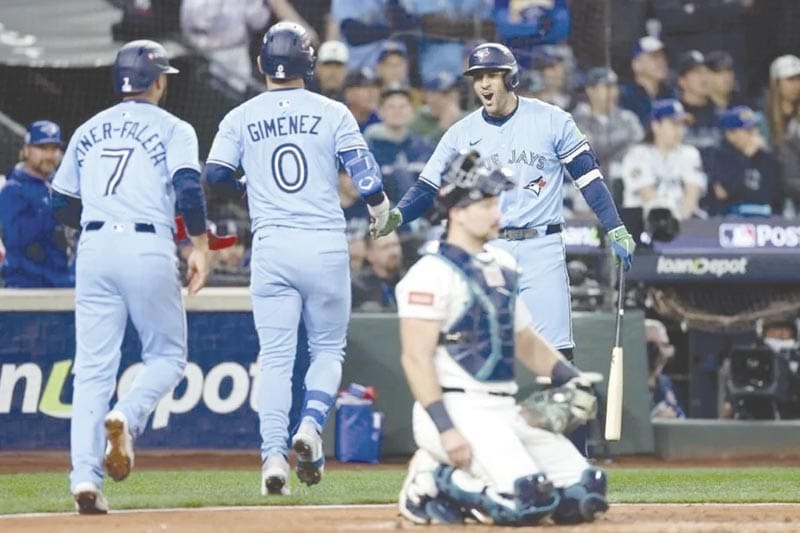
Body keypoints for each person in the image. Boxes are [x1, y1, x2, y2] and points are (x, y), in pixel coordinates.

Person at [372, 42, 635, 455]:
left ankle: (575, 460)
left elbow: (589, 179)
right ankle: (471, 451)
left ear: (509, 77)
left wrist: (615, 227)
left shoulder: (551, 120)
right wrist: (399, 217)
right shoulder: (462, 132)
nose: (484, 84)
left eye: (491, 75)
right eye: (478, 78)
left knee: (558, 362)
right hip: (487, 253)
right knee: (476, 356)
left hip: (541, 245)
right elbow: (427, 186)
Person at [203, 22, 391, 496]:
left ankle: (272, 459)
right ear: (309, 64)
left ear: (264, 63)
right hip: (325, 242)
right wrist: (381, 214)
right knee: (327, 350)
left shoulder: (241, 115)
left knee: (276, 359)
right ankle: (309, 425)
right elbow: (367, 179)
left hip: (273, 246)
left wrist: (247, 190)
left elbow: (215, 174)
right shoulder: (333, 111)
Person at [396, 149, 608, 526]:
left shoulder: (504, 266)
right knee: (524, 502)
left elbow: (525, 340)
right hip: (455, 410)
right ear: (457, 211)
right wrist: (446, 429)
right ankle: (430, 478)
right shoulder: (429, 273)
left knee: (585, 493)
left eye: (497, 202)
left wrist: (569, 378)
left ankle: (460, 480)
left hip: (506, 410)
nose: (498, 212)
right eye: (488, 203)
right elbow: (415, 359)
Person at [50, 39, 211, 514]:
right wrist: (199, 244)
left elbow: (59, 203)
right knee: (167, 355)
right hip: (146, 243)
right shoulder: (174, 128)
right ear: (158, 80)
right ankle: (129, 413)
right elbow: (188, 189)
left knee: (92, 370)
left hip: (95, 246)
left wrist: (100, 223)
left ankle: (84, 479)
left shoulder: (87, 129)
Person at [0, 121, 74, 288]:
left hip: (64, 282)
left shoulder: (64, 186)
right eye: (42, 148)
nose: (49, 155)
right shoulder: (12, 190)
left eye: (54, 149)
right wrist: (53, 210)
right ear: (26, 150)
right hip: (26, 285)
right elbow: (16, 240)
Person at [621, 99, 708, 221]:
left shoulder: (690, 154)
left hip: (681, 223)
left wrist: (678, 225)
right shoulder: (637, 154)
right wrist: (667, 225)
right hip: (643, 224)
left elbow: (692, 194)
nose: (680, 130)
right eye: (674, 124)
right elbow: (648, 195)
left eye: (682, 124)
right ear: (656, 126)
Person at [570, 67, 644, 211]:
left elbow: (638, 151)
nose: (613, 92)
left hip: (624, 180)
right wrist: (619, 144)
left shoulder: (628, 119)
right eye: (606, 87)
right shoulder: (575, 121)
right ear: (590, 90)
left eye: (615, 87)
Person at [704, 106, 781, 217]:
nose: (755, 133)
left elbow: (774, 198)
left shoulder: (767, 158)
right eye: (748, 130)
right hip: (727, 219)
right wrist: (745, 158)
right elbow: (723, 193)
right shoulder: (718, 156)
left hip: (764, 218)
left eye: (756, 127)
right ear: (730, 135)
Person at [619, 36, 674, 129]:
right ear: (636, 65)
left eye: (663, 57)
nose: (662, 62)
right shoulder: (623, 97)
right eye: (654, 57)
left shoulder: (672, 94)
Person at [351, 230, 403, 312]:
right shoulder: (355, 287)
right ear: (369, 254)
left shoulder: (410, 281)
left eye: (395, 245)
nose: (394, 252)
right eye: (386, 247)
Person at [645, 319, 684, 419]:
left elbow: (681, 417)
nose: (663, 354)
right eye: (654, 347)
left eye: (665, 345)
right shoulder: (629, 387)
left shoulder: (665, 383)